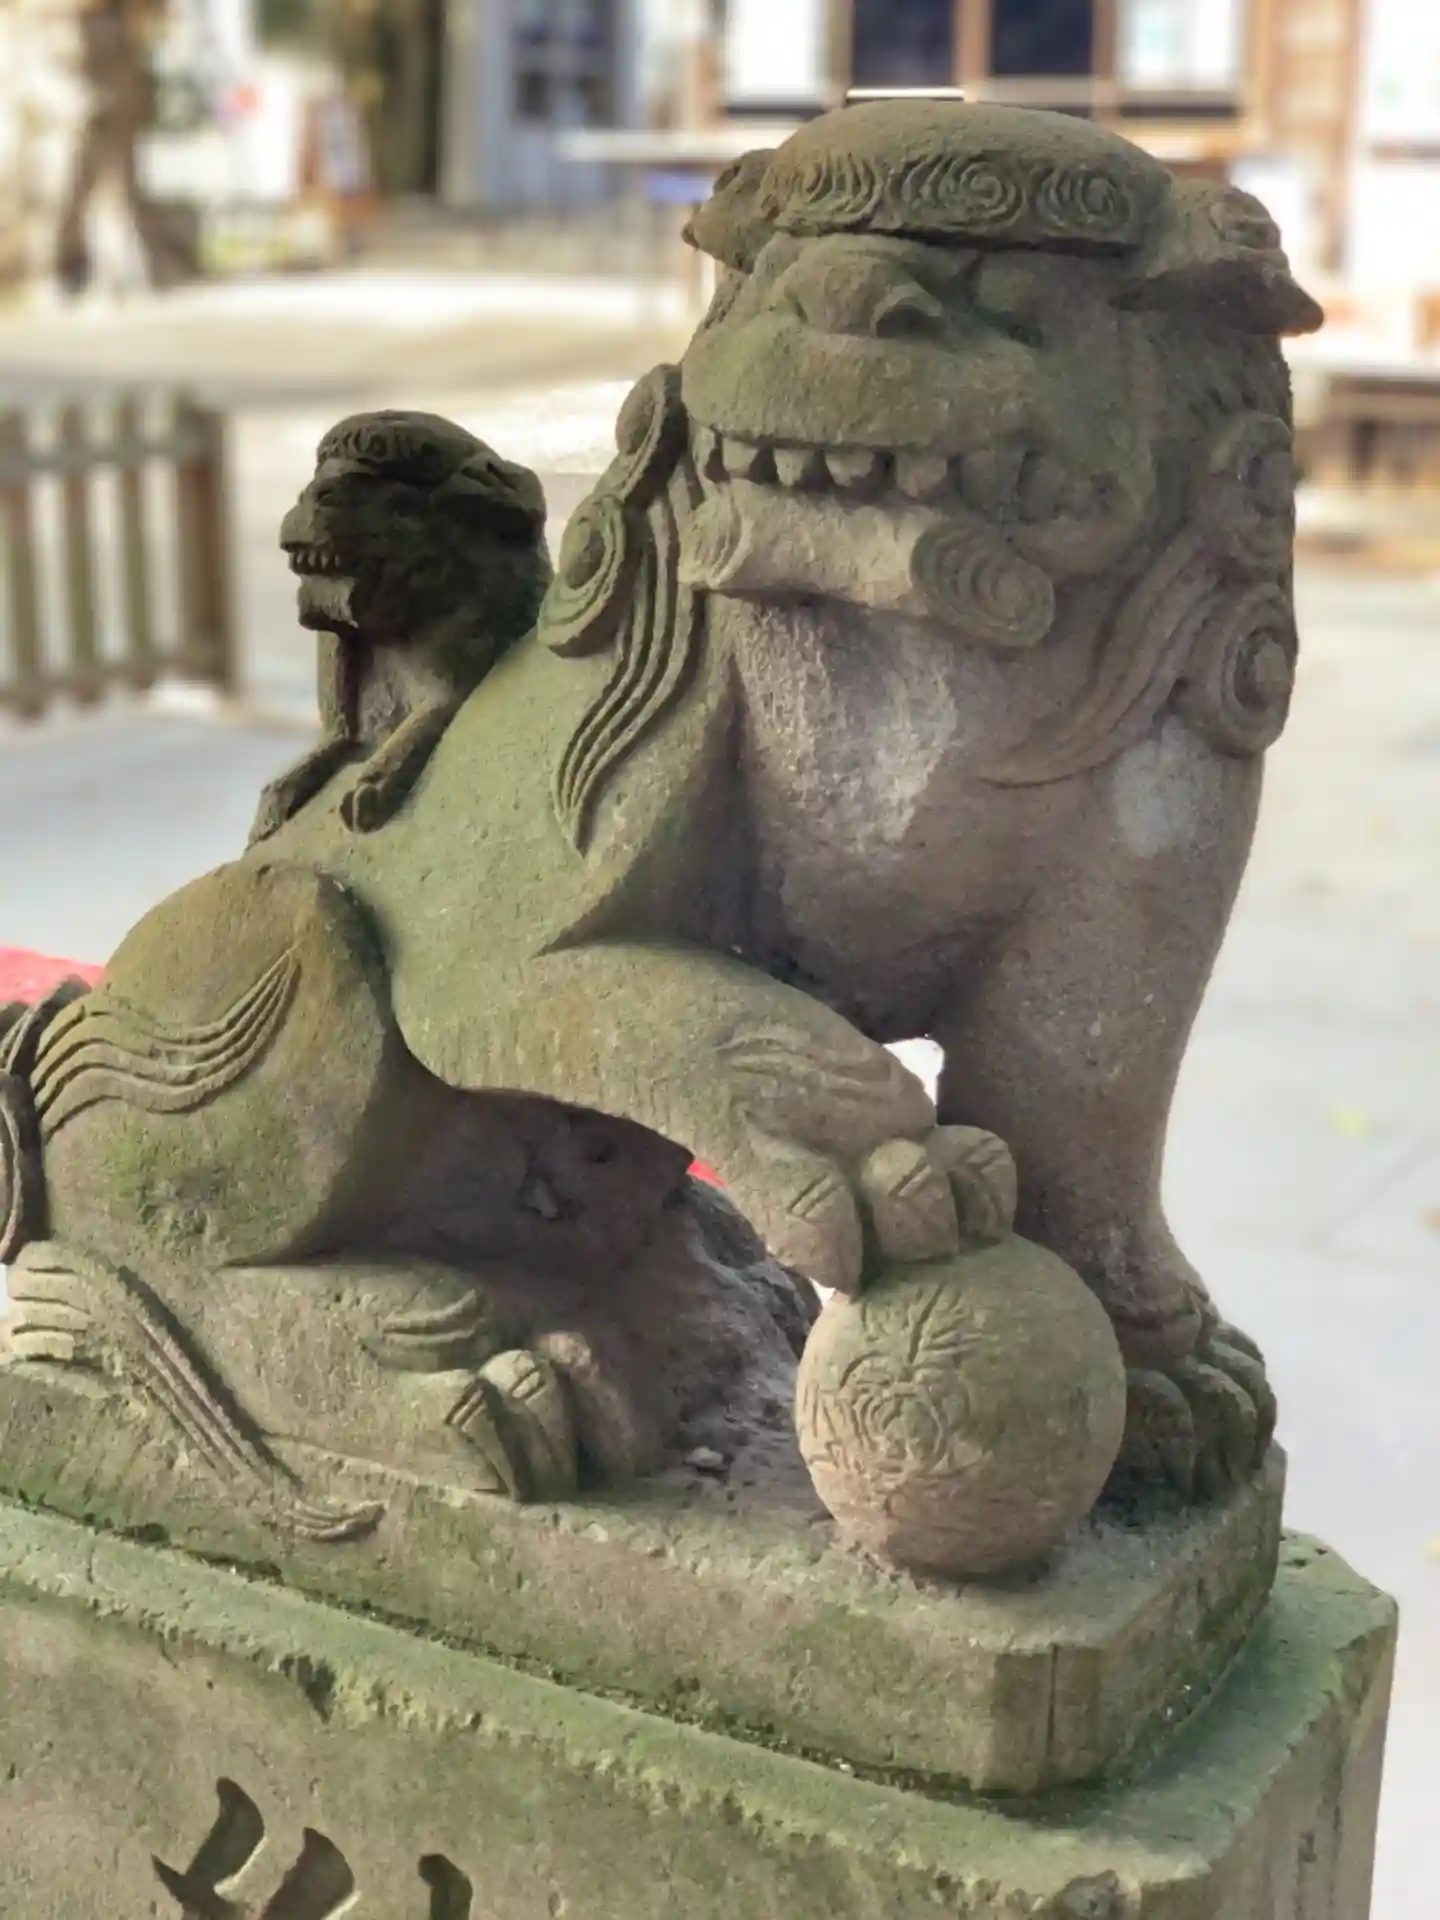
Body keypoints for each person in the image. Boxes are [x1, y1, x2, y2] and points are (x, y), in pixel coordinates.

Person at [54, 0, 182, 295]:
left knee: (114, 176)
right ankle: (80, 265)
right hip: (75, 63)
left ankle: (114, 267)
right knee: (77, 174)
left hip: (110, 69)